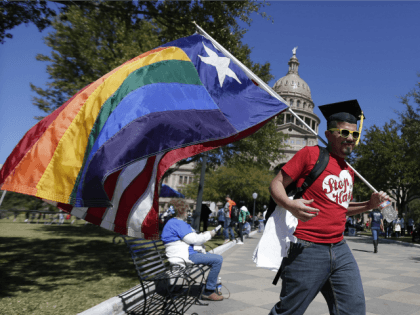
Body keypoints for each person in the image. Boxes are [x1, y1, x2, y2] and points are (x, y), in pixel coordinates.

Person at [269, 100, 390, 315]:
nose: (350, 138)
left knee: (353, 309)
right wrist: (290, 204)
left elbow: (339, 208)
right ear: (328, 134)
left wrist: (369, 205)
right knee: (289, 311)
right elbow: (276, 184)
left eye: (354, 134)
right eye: (344, 132)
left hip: (339, 247)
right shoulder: (310, 154)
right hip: (307, 248)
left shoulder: (348, 170)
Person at [161, 206, 223, 301]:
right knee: (218, 260)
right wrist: (209, 235)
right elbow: (194, 240)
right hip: (185, 256)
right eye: (187, 211)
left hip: (185, 253)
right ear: (183, 213)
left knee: (215, 258)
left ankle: (211, 286)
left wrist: (204, 234)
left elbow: (192, 237)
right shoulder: (177, 223)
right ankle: (208, 292)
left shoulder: (173, 222)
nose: (188, 214)